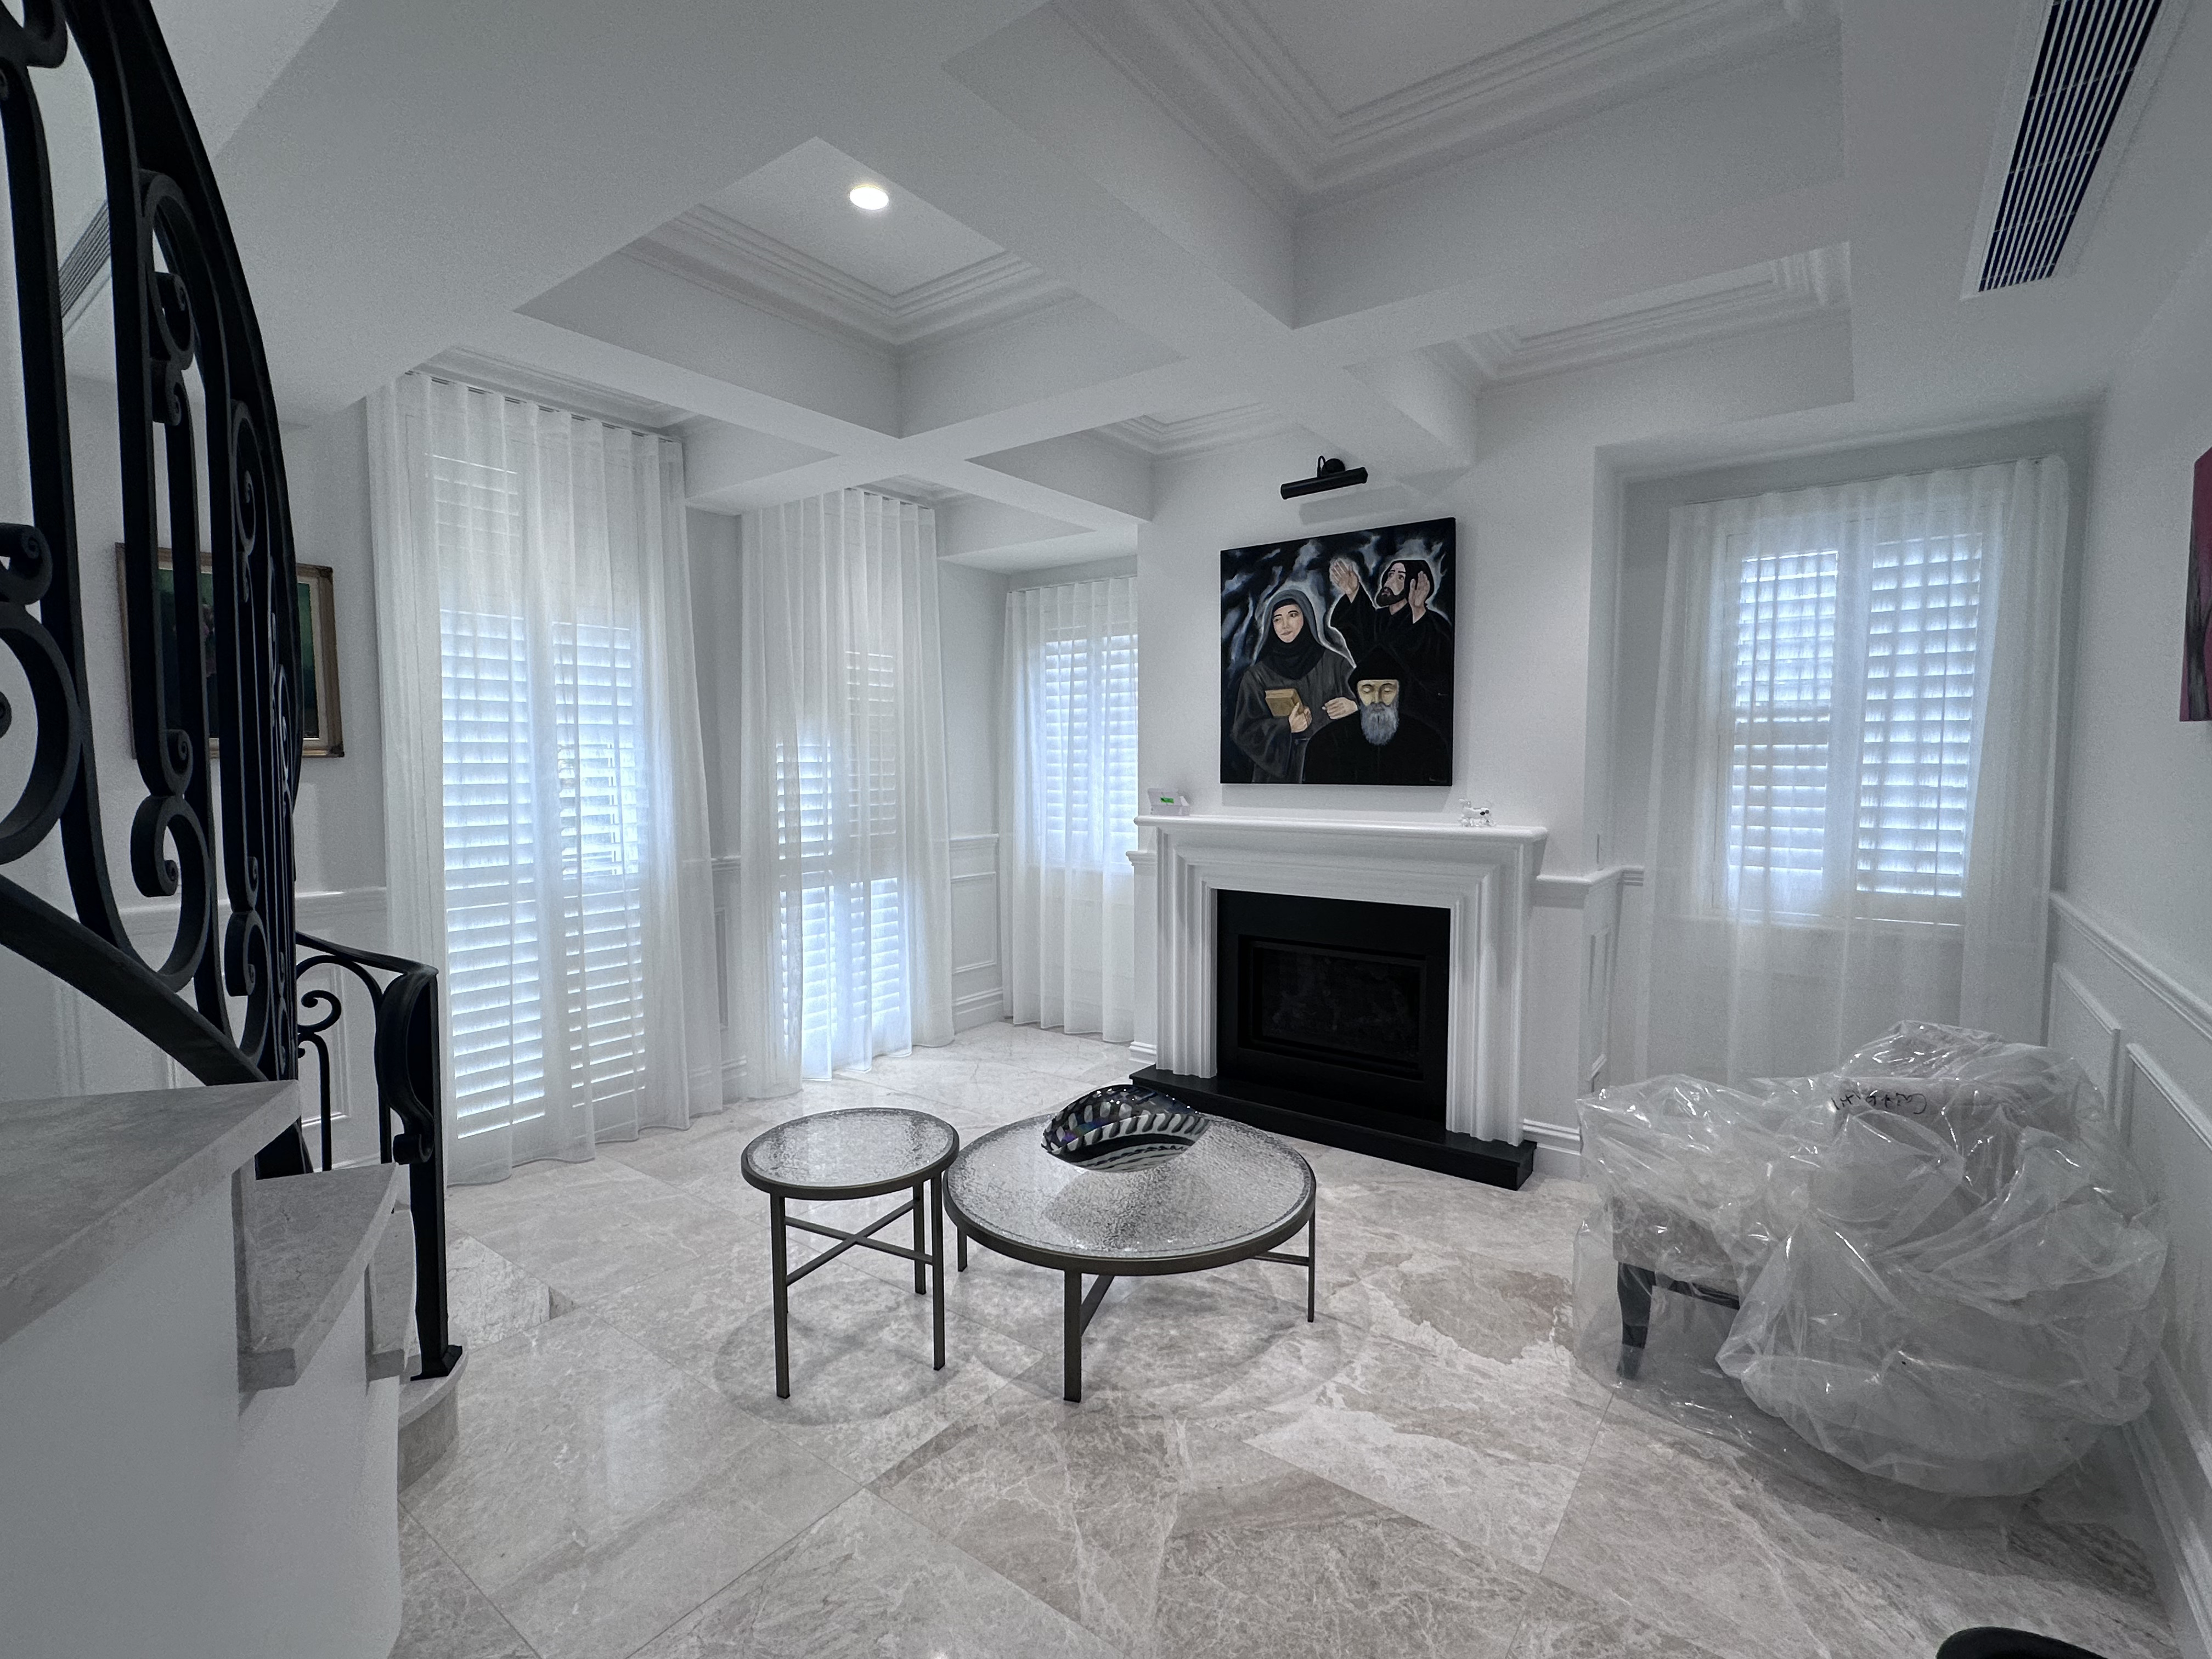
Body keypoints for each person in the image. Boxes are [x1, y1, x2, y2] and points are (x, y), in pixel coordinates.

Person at [1229, 587, 1355, 783]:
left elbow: (1375, 704)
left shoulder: (1336, 664)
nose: (1285, 625)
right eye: (1277, 619)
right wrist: (1286, 727)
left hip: (1329, 770)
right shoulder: (1257, 676)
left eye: (1293, 615)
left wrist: (1355, 706)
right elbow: (1244, 732)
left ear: (1307, 617)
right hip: (1277, 781)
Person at [1300, 645, 1451, 785]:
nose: (1377, 699)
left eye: (1387, 690)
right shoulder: (1326, 742)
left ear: (1400, 692)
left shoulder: (1428, 741)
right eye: (1367, 690)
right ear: (1358, 694)